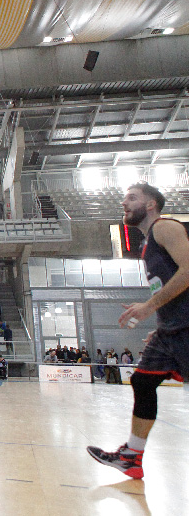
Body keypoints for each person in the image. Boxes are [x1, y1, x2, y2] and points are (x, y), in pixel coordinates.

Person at [88, 182, 189, 480]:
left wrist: (148, 306)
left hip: (185, 327)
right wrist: (159, 321)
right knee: (143, 382)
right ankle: (132, 456)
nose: (124, 203)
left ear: (150, 204)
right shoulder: (148, 243)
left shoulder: (164, 227)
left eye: (132, 198)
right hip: (170, 329)